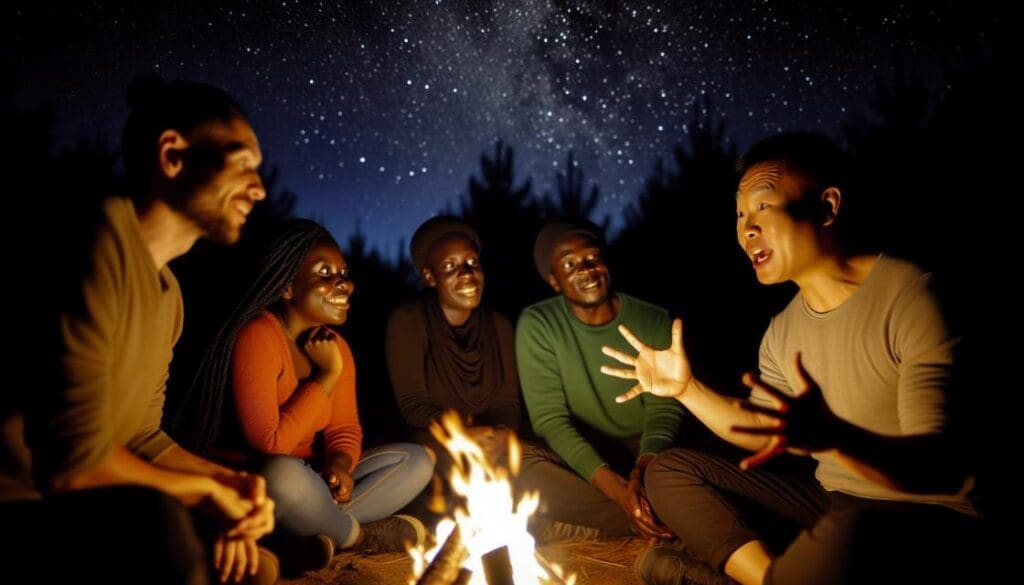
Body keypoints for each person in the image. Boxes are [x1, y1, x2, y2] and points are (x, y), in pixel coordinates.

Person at [602, 132, 979, 584]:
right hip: (835, 500)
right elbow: (764, 432)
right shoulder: (782, 330)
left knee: (848, 535)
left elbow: (937, 468)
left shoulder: (912, 296)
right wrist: (687, 389)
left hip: (928, 512)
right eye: (740, 216)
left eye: (763, 206)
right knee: (670, 471)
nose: (747, 230)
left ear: (827, 207)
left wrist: (838, 438)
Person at [1, 74, 276, 584]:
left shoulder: (168, 295)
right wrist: (201, 494)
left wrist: (228, 481)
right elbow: (73, 468)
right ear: (173, 156)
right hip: (24, 499)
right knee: (158, 527)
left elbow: (142, 436)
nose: (259, 189)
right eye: (242, 164)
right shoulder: (95, 239)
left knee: (256, 567)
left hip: (84, 502)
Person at [174, 218, 434, 576]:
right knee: (281, 474)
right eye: (325, 273)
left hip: (314, 485)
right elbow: (270, 442)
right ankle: (356, 536)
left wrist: (341, 464)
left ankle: (314, 535)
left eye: (343, 271)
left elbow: (344, 426)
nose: (344, 282)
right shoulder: (259, 336)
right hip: (258, 487)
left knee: (418, 459)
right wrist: (326, 376)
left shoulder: (335, 345)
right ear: (286, 287)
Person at [515, 219, 685, 541]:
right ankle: (653, 519)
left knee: (678, 474)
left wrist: (642, 470)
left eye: (592, 258)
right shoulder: (538, 324)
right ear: (554, 281)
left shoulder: (653, 319)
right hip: (588, 452)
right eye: (569, 264)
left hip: (647, 450)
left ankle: (634, 518)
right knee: (518, 464)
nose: (586, 269)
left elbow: (665, 410)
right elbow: (550, 421)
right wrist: (616, 489)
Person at [386, 216, 521, 466]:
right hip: (435, 440)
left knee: (533, 464)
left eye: (472, 262)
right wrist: (461, 435)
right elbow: (413, 405)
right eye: (450, 266)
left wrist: (503, 432)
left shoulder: (498, 325)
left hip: (491, 438)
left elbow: (507, 399)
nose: (467, 274)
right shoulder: (409, 320)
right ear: (430, 277)